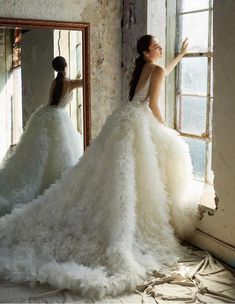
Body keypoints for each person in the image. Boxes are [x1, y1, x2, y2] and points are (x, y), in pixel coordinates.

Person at [0, 36, 201, 299]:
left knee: (113, 175)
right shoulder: (156, 69)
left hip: (122, 118)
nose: (161, 48)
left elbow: (159, 76)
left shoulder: (144, 67)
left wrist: (180, 55)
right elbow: (153, 104)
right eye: (156, 46)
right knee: (143, 167)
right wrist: (165, 128)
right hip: (138, 122)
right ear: (146, 51)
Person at [0, 56, 83, 216]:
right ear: (66, 65)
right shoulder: (70, 83)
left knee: (42, 155)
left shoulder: (55, 82)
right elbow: (87, 82)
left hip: (45, 114)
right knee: (59, 152)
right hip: (58, 117)